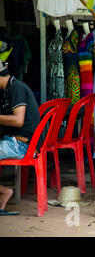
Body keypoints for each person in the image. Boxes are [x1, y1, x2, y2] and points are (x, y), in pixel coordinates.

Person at [0, 61, 40, 213]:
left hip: (22, 145)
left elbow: (18, 120)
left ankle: (3, 191)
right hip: (13, 141)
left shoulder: (17, 88)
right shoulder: (6, 90)